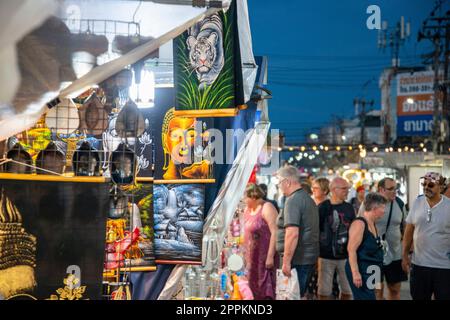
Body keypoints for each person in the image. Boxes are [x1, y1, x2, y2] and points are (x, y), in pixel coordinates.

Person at [402, 172, 450, 300]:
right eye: (424, 184)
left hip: (444, 267)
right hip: (419, 266)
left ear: (440, 187)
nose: (426, 187)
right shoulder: (417, 202)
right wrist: (404, 255)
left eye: (431, 185)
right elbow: (409, 230)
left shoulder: (448, 206)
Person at [358, 177, 408, 300]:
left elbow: (406, 228)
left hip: (395, 255)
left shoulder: (400, 204)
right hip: (373, 256)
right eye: (391, 189)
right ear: (381, 189)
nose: (394, 191)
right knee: (376, 290)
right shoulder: (368, 203)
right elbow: (359, 224)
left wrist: (406, 253)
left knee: (395, 289)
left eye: (396, 188)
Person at [275, 166, 319, 299]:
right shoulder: (306, 198)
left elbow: (292, 233)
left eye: (279, 182)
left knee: (291, 296)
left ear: (287, 182)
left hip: (298, 260)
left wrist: (286, 262)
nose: (279, 186)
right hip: (305, 258)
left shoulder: (293, 201)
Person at [318, 177, 355, 300]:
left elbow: (354, 230)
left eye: (347, 189)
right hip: (326, 256)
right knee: (324, 292)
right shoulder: (323, 207)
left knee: (348, 291)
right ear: (334, 190)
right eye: (344, 189)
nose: (347, 191)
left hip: (346, 256)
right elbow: (316, 231)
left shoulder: (349, 208)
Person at [346, 193, 387, 300]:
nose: (384, 211)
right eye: (382, 207)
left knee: (375, 296)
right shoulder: (360, 224)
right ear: (374, 208)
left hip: (374, 269)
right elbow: (351, 250)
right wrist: (355, 273)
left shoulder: (372, 223)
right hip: (362, 270)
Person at [242, 183, 279, 300]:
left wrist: (270, 256)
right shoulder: (247, 209)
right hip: (251, 258)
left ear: (253, 196)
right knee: (252, 288)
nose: (244, 200)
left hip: (264, 257)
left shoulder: (267, 207)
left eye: (245, 197)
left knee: (265, 289)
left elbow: (275, 232)